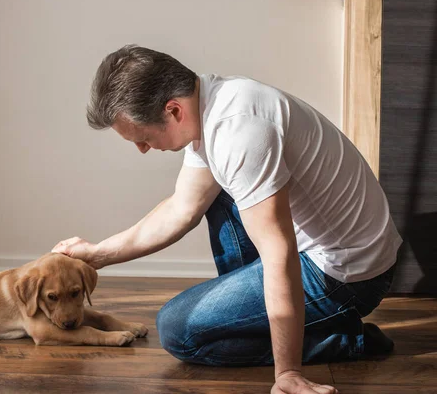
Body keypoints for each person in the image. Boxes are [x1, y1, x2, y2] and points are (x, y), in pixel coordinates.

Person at [52, 45, 402, 394]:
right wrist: (98, 254)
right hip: (326, 253)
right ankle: (254, 320)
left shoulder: (239, 133)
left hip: (347, 276)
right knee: (213, 193)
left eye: (142, 138)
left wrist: (288, 374)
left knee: (178, 331)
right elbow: (182, 209)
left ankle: (345, 341)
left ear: (172, 111)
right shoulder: (213, 105)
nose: (142, 149)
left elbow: (279, 253)